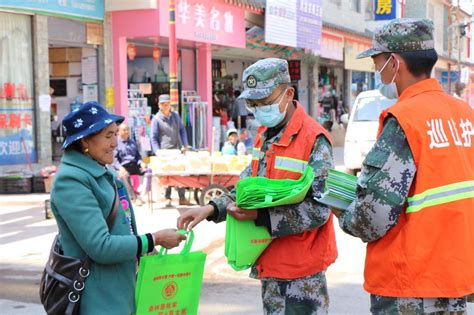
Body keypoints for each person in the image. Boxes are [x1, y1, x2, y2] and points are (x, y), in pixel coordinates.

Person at [331, 18, 474, 314]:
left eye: (377, 60)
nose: (375, 67)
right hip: (456, 277)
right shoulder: (464, 115)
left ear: (394, 62)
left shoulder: (405, 120)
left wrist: (341, 209)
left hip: (410, 284)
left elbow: (372, 217)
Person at [178, 58, 338, 314]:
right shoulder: (265, 135)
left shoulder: (313, 139)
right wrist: (210, 209)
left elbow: (320, 210)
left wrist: (261, 216)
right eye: (253, 104)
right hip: (269, 262)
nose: (259, 110)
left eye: (265, 103)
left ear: (288, 93)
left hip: (302, 273)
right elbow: (247, 185)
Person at [50, 102, 186, 314]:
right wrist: (153, 240)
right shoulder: (71, 181)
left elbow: (124, 228)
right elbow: (100, 246)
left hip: (122, 292)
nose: (115, 143)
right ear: (85, 141)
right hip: (99, 299)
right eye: (108, 136)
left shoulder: (104, 172)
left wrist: (143, 249)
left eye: (115, 134)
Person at [151, 94, 191, 206]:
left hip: (177, 149)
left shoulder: (175, 116)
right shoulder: (156, 119)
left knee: (180, 173)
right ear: (159, 105)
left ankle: (182, 198)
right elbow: (153, 138)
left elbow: (182, 130)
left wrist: (185, 144)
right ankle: (167, 197)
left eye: (167, 104)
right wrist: (157, 151)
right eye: (163, 104)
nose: (166, 106)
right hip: (165, 151)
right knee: (168, 174)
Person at [113, 123, 146, 205]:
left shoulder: (132, 142)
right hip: (123, 166)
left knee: (149, 171)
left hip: (134, 165)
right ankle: (134, 198)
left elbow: (138, 156)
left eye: (127, 129)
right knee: (124, 175)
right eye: (124, 130)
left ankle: (145, 194)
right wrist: (120, 167)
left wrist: (141, 162)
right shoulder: (116, 143)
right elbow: (114, 159)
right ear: (119, 132)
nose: (127, 131)